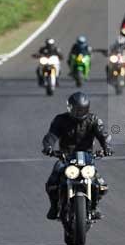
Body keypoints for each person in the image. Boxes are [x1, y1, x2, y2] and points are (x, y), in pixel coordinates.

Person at [41, 92, 112, 221]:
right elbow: (51, 135)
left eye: (82, 110)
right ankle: (54, 207)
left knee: (101, 185)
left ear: (87, 108)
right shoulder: (60, 120)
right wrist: (48, 147)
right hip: (65, 157)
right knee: (52, 182)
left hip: (87, 158)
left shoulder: (93, 120)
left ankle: (95, 207)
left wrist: (106, 147)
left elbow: (103, 134)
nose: (79, 113)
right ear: (69, 108)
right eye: (76, 110)